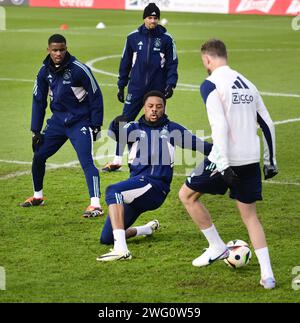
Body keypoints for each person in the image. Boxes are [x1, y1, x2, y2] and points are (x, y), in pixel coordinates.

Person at [178, 39, 278, 289]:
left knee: (187, 195)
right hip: (250, 160)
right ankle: (268, 276)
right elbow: (268, 124)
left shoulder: (210, 84)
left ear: (207, 60)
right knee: (250, 217)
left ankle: (216, 246)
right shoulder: (248, 84)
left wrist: (221, 166)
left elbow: (219, 126)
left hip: (224, 159)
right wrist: (270, 161)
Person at [97, 91, 212, 261]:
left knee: (113, 191)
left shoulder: (172, 129)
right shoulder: (134, 128)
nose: (154, 110)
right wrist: (116, 123)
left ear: (164, 108)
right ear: (144, 108)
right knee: (106, 238)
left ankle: (121, 250)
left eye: (159, 107)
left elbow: (202, 146)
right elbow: (116, 133)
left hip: (155, 187)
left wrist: (227, 150)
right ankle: (145, 229)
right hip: (137, 189)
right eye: (150, 106)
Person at [20, 34, 105, 218]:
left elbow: (96, 96)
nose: (58, 53)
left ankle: (96, 204)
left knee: (86, 161)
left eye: (62, 50)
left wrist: (96, 124)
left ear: (66, 49)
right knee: (39, 155)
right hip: (57, 122)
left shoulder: (79, 69)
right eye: (55, 50)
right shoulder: (43, 72)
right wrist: (35, 130)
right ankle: (38, 196)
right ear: (48, 50)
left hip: (79, 122)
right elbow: (38, 100)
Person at [102, 2, 178, 172]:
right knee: (124, 121)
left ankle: (160, 158)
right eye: (150, 18)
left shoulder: (166, 39)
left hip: (156, 89)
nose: (153, 21)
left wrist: (170, 85)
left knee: (157, 123)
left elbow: (172, 64)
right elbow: (125, 63)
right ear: (144, 18)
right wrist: (121, 85)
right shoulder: (133, 38)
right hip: (135, 88)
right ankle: (116, 160)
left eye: (155, 18)